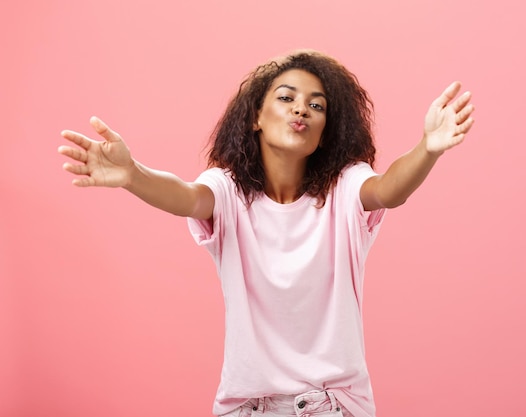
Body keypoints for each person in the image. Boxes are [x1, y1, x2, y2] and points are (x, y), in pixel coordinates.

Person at [58, 50, 474, 417]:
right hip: (246, 408)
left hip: (333, 404)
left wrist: (427, 147)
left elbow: (387, 190)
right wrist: (133, 175)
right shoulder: (227, 190)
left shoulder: (345, 189)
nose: (302, 110)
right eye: (287, 97)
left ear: (325, 130)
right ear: (256, 116)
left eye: (317, 105)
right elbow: (186, 196)